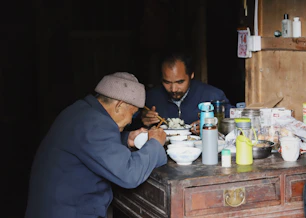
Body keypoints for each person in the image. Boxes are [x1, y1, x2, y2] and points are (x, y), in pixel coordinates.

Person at [24, 72, 167, 218]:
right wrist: (155, 143)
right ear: (119, 105)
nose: (131, 121)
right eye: (133, 113)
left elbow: (92, 144)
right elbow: (129, 174)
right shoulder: (95, 124)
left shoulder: (80, 111)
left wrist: (126, 139)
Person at [132, 51, 233, 135]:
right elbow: (127, 128)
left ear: (191, 75)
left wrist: (213, 125)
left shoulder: (212, 96)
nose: (173, 89)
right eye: (167, 82)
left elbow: (233, 124)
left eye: (180, 82)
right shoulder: (151, 98)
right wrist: (143, 121)